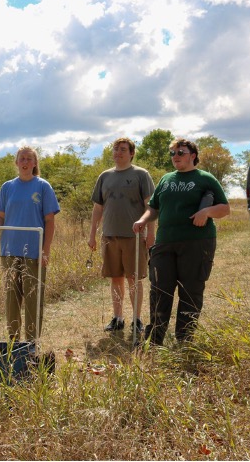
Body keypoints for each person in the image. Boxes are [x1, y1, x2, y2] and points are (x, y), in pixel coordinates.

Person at [133, 138, 230, 345]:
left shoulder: (205, 178)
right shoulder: (166, 179)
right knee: (159, 289)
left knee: (190, 291)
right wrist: (143, 219)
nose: (175, 157)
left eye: (180, 153)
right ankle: (155, 339)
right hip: (164, 243)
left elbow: (225, 208)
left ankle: (184, 340)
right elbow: (154, 207)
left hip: (197, 242)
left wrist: (206, 211)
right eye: (172, 153)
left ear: (192, 155)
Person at [0, 146, 60, 342]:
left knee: (33, 299)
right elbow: (1, 218)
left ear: (34, 163)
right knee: (11, 300)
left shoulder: (43, 187)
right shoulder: (7, 187)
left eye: (28, 159)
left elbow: (50, 221)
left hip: (34, 252)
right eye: (21, 159)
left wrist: (45, 251)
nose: (24, 162)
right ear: (16, 163)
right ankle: (14, 344)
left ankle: (32, 344)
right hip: (9, 251)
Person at [88, 137, 155, 334]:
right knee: (115, 277)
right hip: (109, 235)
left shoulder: (141, 175)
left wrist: (150, 234)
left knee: (134, 278)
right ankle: (118, 318)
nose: (118, 152)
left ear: (131, 153)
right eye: (116, 149)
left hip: (134, 236)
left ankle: (137, 319)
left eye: (123, 149)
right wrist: (92, 234)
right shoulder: (105, 176)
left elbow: (150, 206)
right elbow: (97, 208)